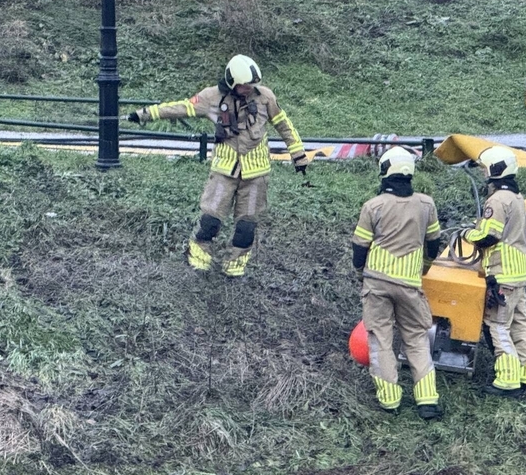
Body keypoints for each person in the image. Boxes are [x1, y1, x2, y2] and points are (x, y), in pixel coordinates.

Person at [126, 54, 310, 277]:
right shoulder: (211, 97)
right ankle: (199, 256)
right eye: (244, 86)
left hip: (257, 173)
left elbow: (284, 125)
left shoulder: (265, 97)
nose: (249, 89)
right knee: (210, 219)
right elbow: (181, 108)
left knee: (246, 226)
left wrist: (298, 154)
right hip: (224, 170)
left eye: (253, 85)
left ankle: (235, 266)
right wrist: (144, 115)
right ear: (232, 82)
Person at [351, 147, 443, 420]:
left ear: (385, 170)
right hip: (410, 284)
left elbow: (359, 247)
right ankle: (427, 399)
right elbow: (434, 243)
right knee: (416, 339)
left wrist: (360, 272)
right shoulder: (426, 204)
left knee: (380, 339)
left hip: (377, 283)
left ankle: (389, 399)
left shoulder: (373, 206)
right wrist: (424, 268)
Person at [461, 146, 526, 397]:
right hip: (519, 272)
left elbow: (489, 235)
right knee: (519, 325)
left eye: (485, 167)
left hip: (501, 272)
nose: (483, 172)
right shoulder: (516, 196)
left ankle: (507, 379)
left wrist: (468, 233)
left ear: (495, 169)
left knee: (498, 325)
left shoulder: (497, 200)